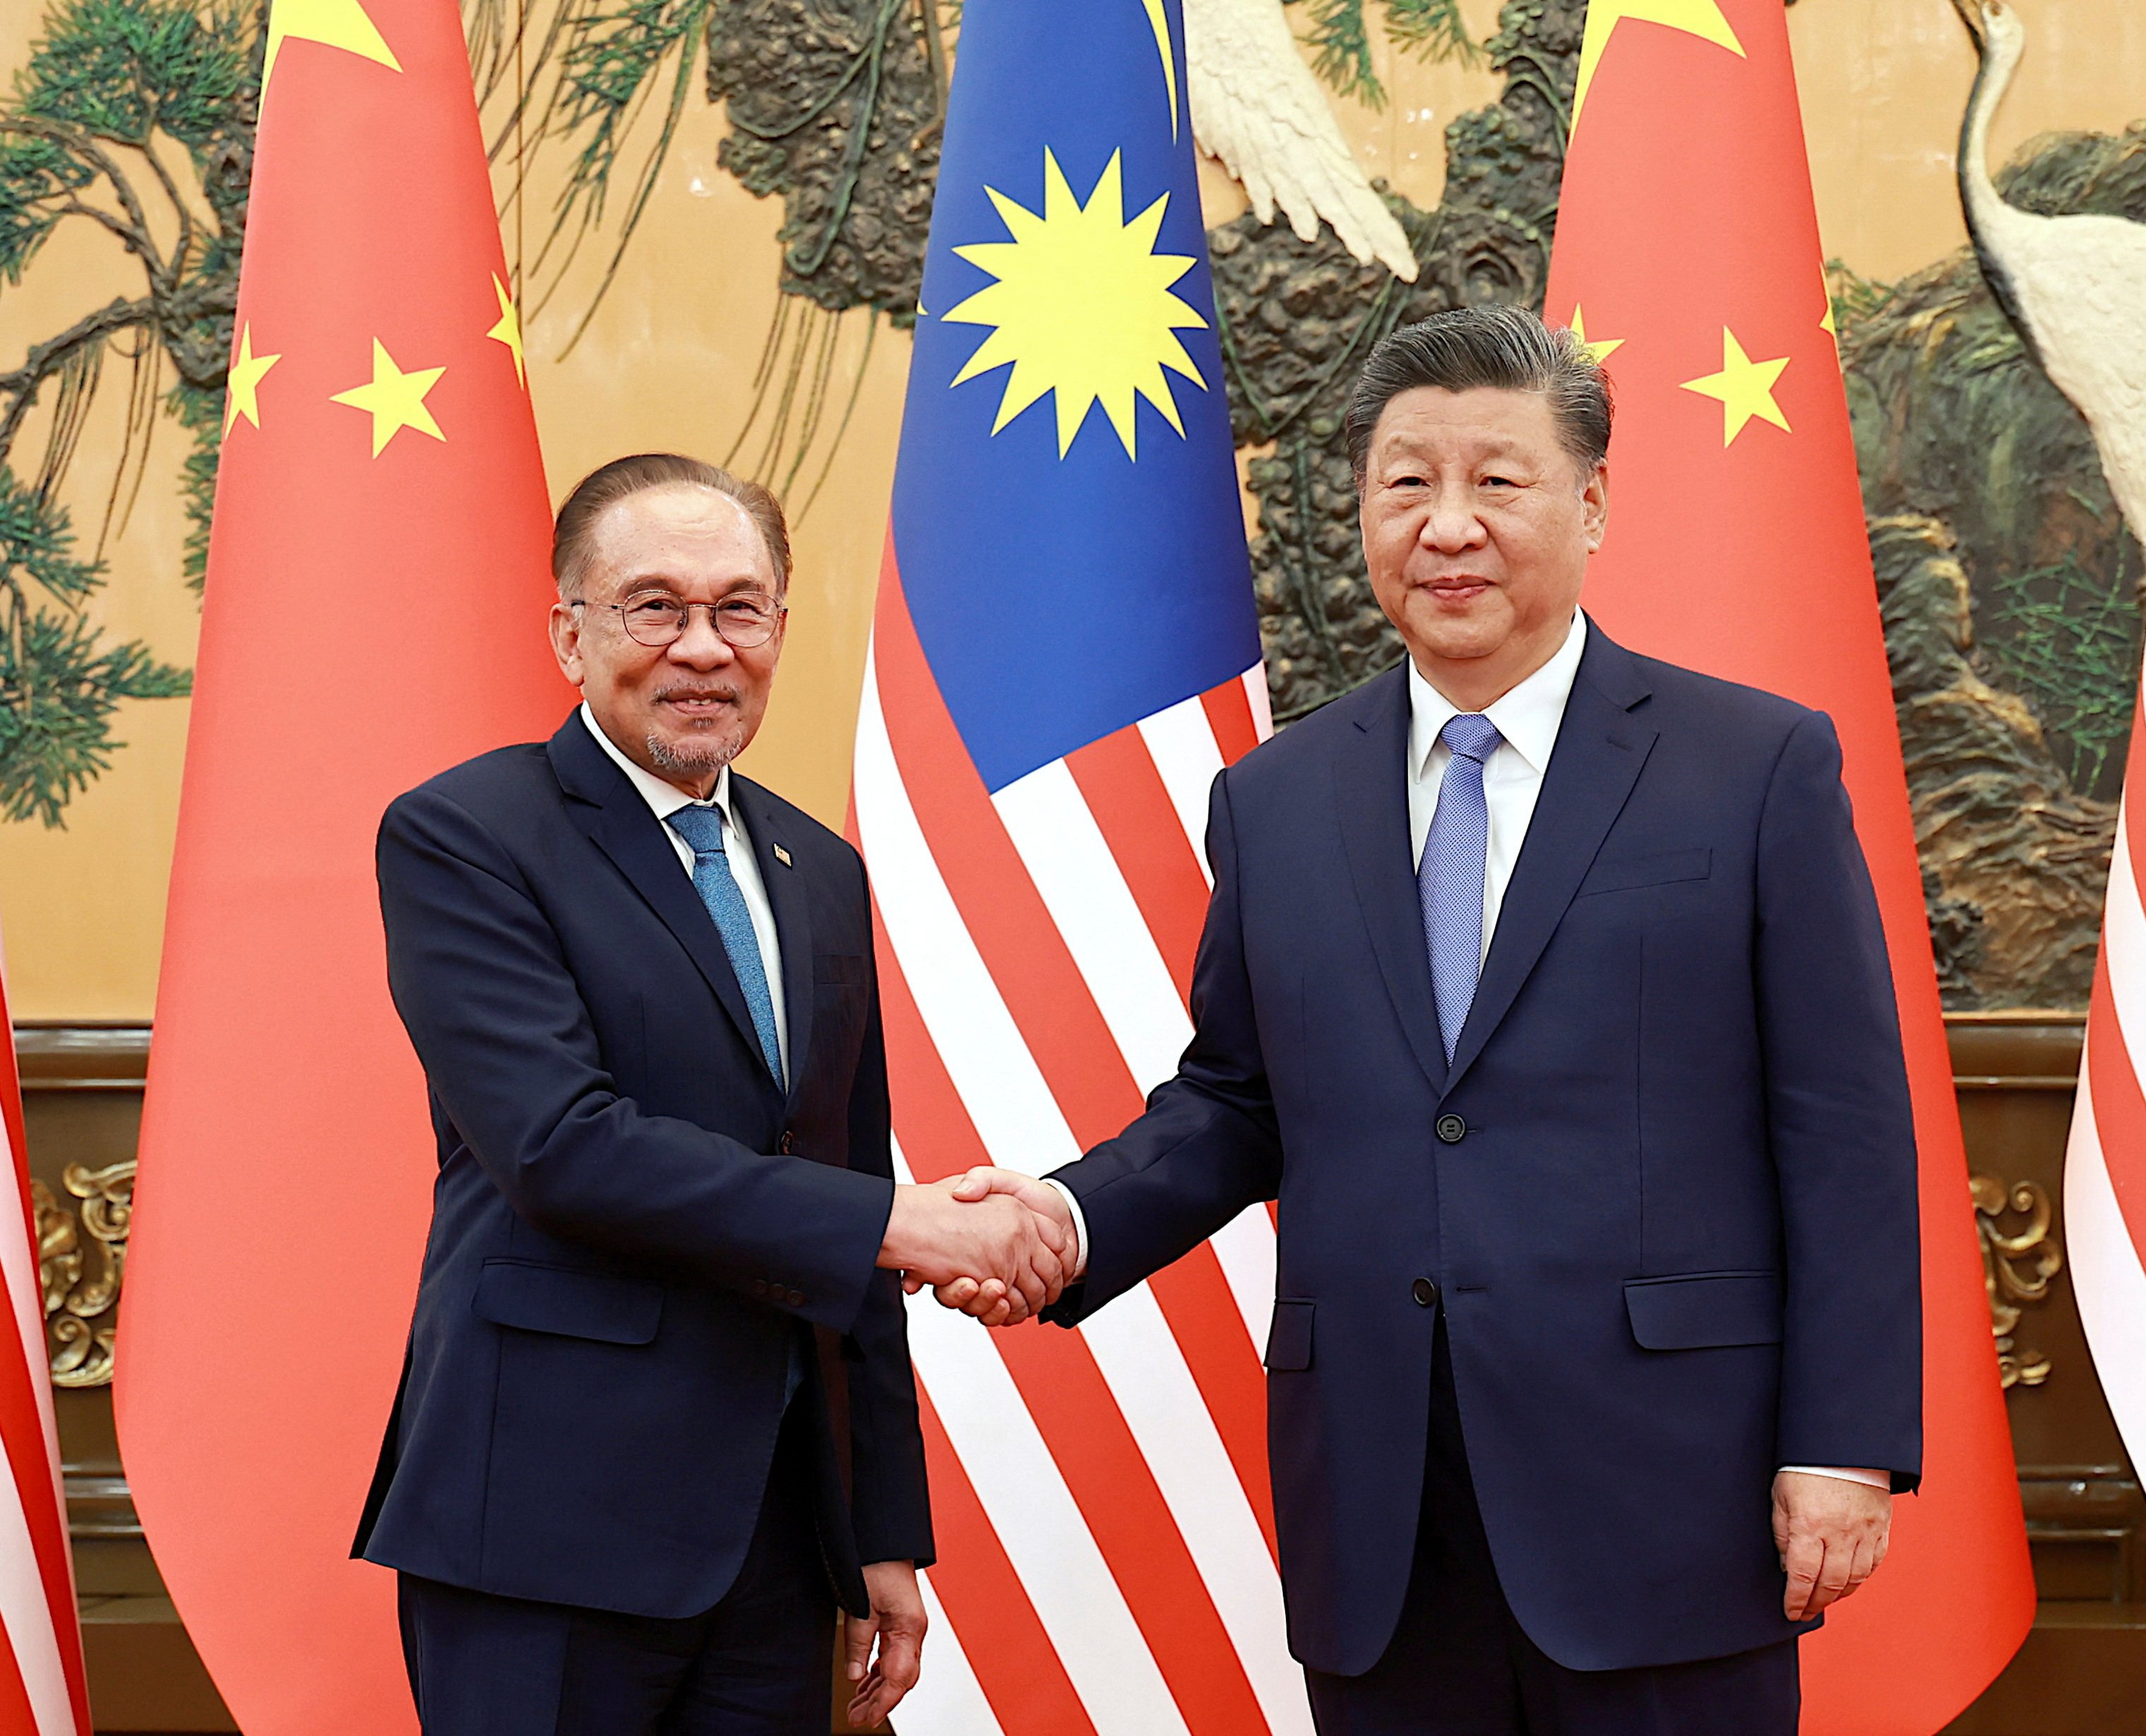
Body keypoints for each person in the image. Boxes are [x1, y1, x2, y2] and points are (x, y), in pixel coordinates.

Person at [942, 306, 1924, 1735]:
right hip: (1385, 1511)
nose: (1446, 525)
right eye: (1405, 482)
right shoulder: (1275, 802)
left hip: (1665, 1496)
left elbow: (1838, 1127)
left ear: (1589, 502)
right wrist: (1065, 1221)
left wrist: (1841, 1444)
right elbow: (1233, 1104)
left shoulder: (1750, 765)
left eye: (1496, 481)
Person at [355, 453, 1066, 1735]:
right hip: (546, 1534)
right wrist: (905, 1223)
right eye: (654, 607)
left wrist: (881, 1535)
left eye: (739, 608)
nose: (702, 648)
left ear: (781, 632)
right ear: (569, 632)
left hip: (780, 1546)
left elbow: (842, 1194)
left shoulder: (819, 871)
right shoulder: (467, 835)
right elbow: (564, 1149)